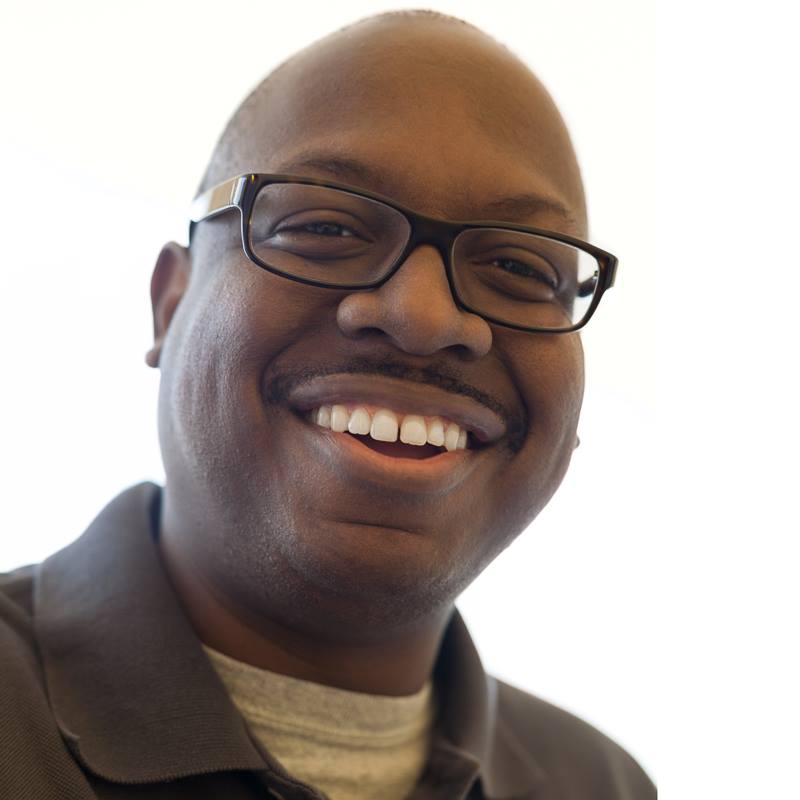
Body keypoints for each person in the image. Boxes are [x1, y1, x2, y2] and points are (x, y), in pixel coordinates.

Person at [0, 10, 655, 800]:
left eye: (519, 268)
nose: (423, 317)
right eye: (327, 227)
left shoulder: (603, 784)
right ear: (170, 305)